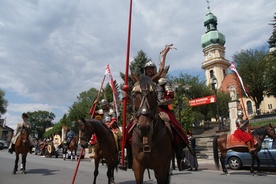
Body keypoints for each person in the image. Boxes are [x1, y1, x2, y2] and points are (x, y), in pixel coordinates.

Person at [157, 77, 190, 171]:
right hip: (150, 109)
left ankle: (181, 159)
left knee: (175, 126)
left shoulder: (166, 86)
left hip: (163, 109)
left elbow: (170, 98)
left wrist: (161, 102)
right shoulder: (150, 84)